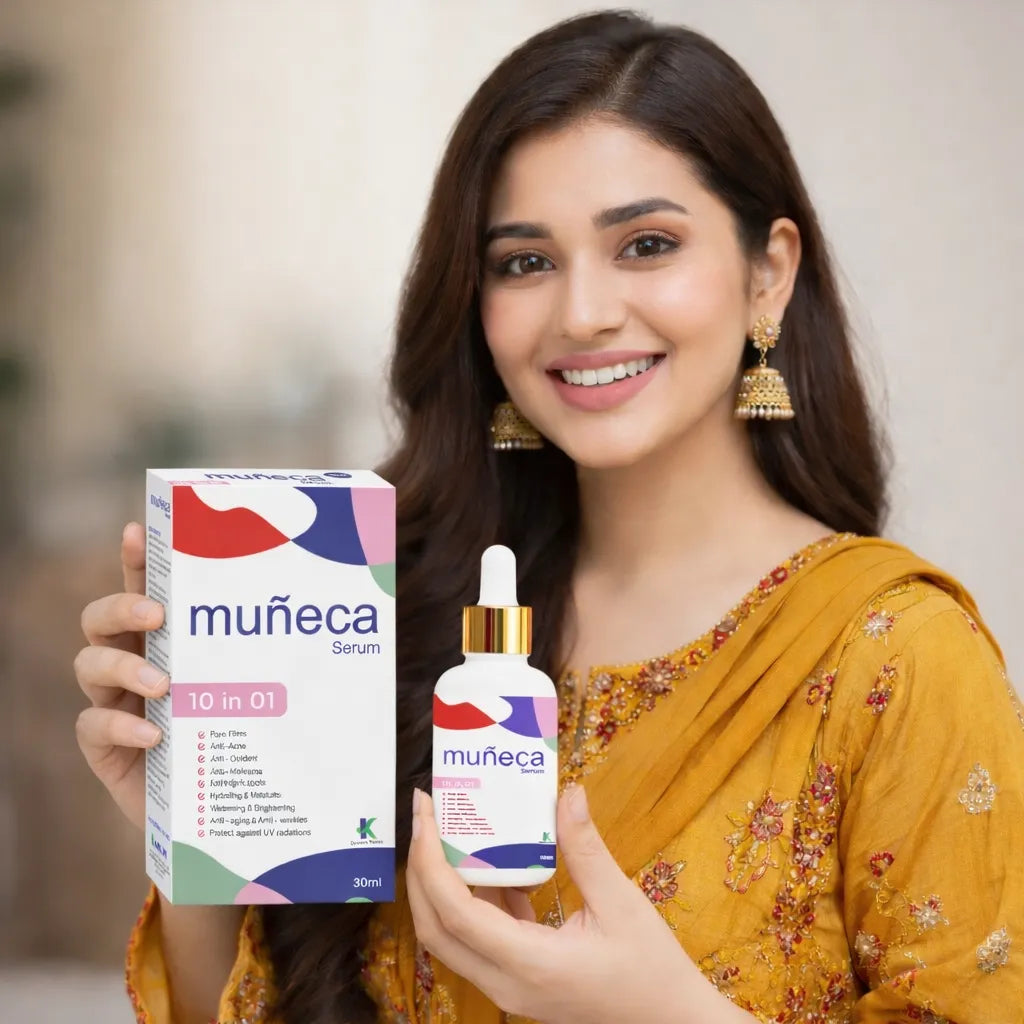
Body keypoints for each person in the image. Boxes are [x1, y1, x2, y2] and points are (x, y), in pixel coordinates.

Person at [73, 10, 1024, 1024]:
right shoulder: (376, 618)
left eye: (645, 244)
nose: (581, 313)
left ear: (768, 272)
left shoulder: (894, 656)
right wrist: (196, 829)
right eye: (525, 261)